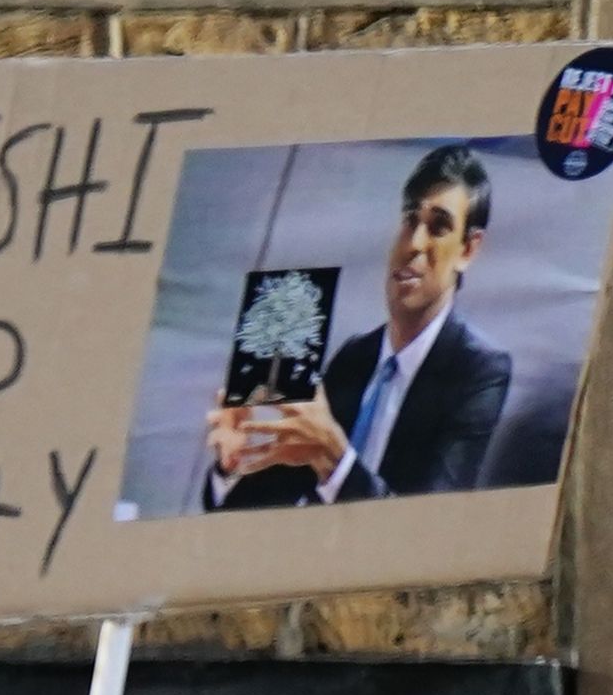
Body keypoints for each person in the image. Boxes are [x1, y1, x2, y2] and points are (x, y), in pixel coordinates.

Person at [204, 143, 513, 509]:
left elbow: (428, 527)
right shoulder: (355, 356)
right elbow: (271, 502)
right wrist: (233, 465)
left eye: (438, 227)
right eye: (410, 219)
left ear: (468, 250)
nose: (413, 243)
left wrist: (334, 456)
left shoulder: (479, 370)